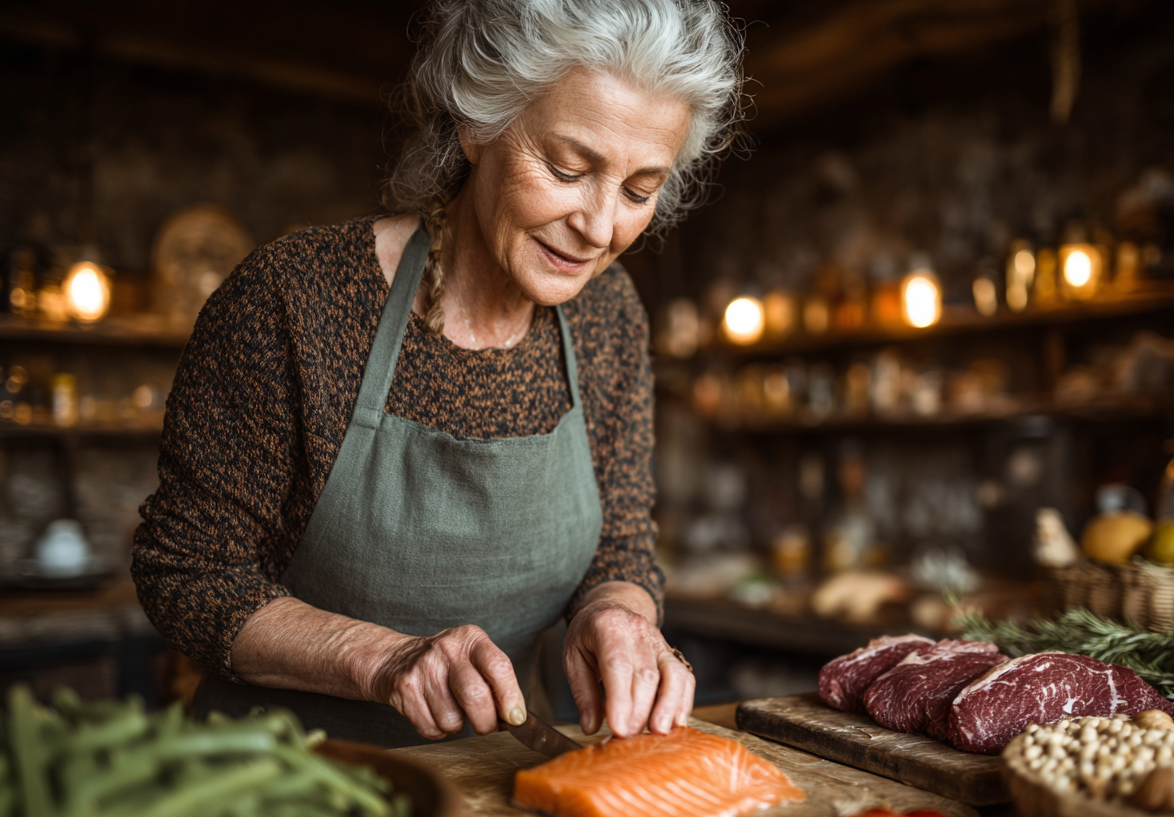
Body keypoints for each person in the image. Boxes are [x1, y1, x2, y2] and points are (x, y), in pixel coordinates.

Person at [132, 0, 744, 748]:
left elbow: (619, 541)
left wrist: (617, 614)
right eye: (566, 168)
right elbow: (189, 575)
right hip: (283, 784)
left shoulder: (607, 315)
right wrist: (386, 661)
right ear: (476, 124)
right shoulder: (297, 301)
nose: (599, 225)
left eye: (639, 190)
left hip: (509, 777)